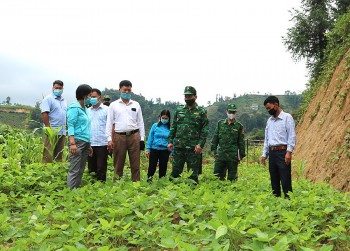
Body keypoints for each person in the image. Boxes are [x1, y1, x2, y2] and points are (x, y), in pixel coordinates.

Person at [167, 86, 209, 184]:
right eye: (186, 96)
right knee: (175, 173)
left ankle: (193, 196)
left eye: (189, 96)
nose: (187, 98)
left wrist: (200, 145)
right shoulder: (179, 110)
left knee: (193, 175)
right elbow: (174, 127)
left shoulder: (201, 112)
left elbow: (205, 130)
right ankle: (173, 194)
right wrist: (170, 141)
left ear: (195, 97)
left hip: (193, 148)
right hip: (179, 146)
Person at [106, 80, 145, 182]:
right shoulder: (113, 105)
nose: (127, 92)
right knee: (118, 163)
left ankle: (136, 184)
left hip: (134, 135)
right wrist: (109, 139)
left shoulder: (136, 104)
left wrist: (142, 138)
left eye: (129, 90)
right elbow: (109, 123)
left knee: (135, 163)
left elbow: (140, 122)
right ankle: (116, 184)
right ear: (120, 90)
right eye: (125, 90)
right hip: (119, 136)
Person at [260, 96, 296, 198]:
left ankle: (289, 201)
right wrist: (264, 154)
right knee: (274, 179)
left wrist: (289, 152)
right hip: (272, 153)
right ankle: (276, 202)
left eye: (269, 108)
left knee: (285, 179)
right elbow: (267, 139)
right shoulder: (269, 121)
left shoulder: (287, 118)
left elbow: (292, 135)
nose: (268, 110)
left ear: (276, 105)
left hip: (282, 152)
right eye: (266, 109)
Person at [66, 84, 93, 189]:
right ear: (84, 95)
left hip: (85, 141)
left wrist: (89, 144)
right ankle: (70, 192)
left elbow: (86, 127)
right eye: (90, 95)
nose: (90, 98)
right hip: (77, 141)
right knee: (74, 169)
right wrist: (72, 143)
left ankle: (75, 189)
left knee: (81, 168)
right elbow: (71, 124)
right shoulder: (74, 108)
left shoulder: (85, 109)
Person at [211, 103, 246, 181]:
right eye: (230, 112)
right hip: (220, 155)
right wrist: (214, 151)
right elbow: (215, 138)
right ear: (226, 112)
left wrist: (241, 155)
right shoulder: (220, 124)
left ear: (235, 113)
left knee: (232, 179)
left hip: (232, 157)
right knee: (217, 177)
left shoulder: (239, 126)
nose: (231, 114)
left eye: (233, 112)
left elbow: (241, 142)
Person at [40, 80, 67, 163]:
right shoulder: (48, 99)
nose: (58, 89)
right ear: (52, 88)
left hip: (61, 132)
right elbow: (45, 113)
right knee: (48, 155)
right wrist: (48, 128)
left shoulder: (64, 100)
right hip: (52, 131)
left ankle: (57, 172)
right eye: (56, 88)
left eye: (60, 88)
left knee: (59, 154)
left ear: (63, 89)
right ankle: (46, 171)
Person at [87, 88, 109, 182]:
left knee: (101, 167)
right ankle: (92, 188)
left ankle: (101, 187)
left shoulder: (107, 110)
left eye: (94, 97)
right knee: (91, 168)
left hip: (102, 143)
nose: (92, 98)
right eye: (91, 97)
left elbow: (110, 126)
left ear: (99, 97)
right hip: (90, 143)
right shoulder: (87, 111)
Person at [146, 110, 172, 181]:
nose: (164, 120)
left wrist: (172, 153)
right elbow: (150, 137)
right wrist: (148, 149)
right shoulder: (155, 126)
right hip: (154, 149)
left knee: (163, 167)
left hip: (165, 150)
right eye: (163, 118)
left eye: (166, 118)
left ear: (169, 119)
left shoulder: (170, 128)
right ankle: (149, 180)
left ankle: (161, 182)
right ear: (160, 117)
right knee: (152, 167)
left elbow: (172, 140)